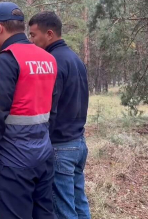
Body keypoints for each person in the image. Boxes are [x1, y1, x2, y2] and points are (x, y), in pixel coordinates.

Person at [0, 2, 58, 218]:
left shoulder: (5, 61)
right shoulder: (48, 59)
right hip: (44, 155)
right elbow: (53, 110)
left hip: (13, 160)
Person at [28, 11, 91, 219]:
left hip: (61, 147)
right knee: (79, 203)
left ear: (49, 34)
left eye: (34, 35)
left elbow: (50, 109)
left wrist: (41, 144)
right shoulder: (75, 59)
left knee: (64, 210)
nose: (31, 40)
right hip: (78, 143)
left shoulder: (52, 62)